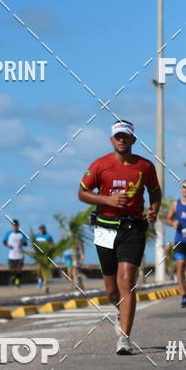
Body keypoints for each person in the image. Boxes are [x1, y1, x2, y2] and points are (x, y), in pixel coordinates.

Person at [78, 120, 161, 355]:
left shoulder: (145, 166)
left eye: (126, 136)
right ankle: (119, 309)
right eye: (118, 137)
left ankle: (124, 338)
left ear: (133, 140)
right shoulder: (100, 165)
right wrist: (108, 201)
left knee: (127, 280)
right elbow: (82, 193)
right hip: (105, 228)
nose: (122, 140)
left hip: (133, 228)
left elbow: (155, 191)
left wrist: (154, 208)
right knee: (112, 290)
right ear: (112, 140)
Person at [3, 219, 27, 287]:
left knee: (19, 271)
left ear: (18, 226)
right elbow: (4, 241)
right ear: (12, 226)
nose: (14, 227)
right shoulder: (9, 233)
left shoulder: (21, 234)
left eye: (16, 226)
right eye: (13, 226)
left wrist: (22, 242)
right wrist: (7, 245)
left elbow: (25, 243)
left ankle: (17, 282)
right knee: (12, 270)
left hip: (20, 256)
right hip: (11, 256)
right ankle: (13, 279)